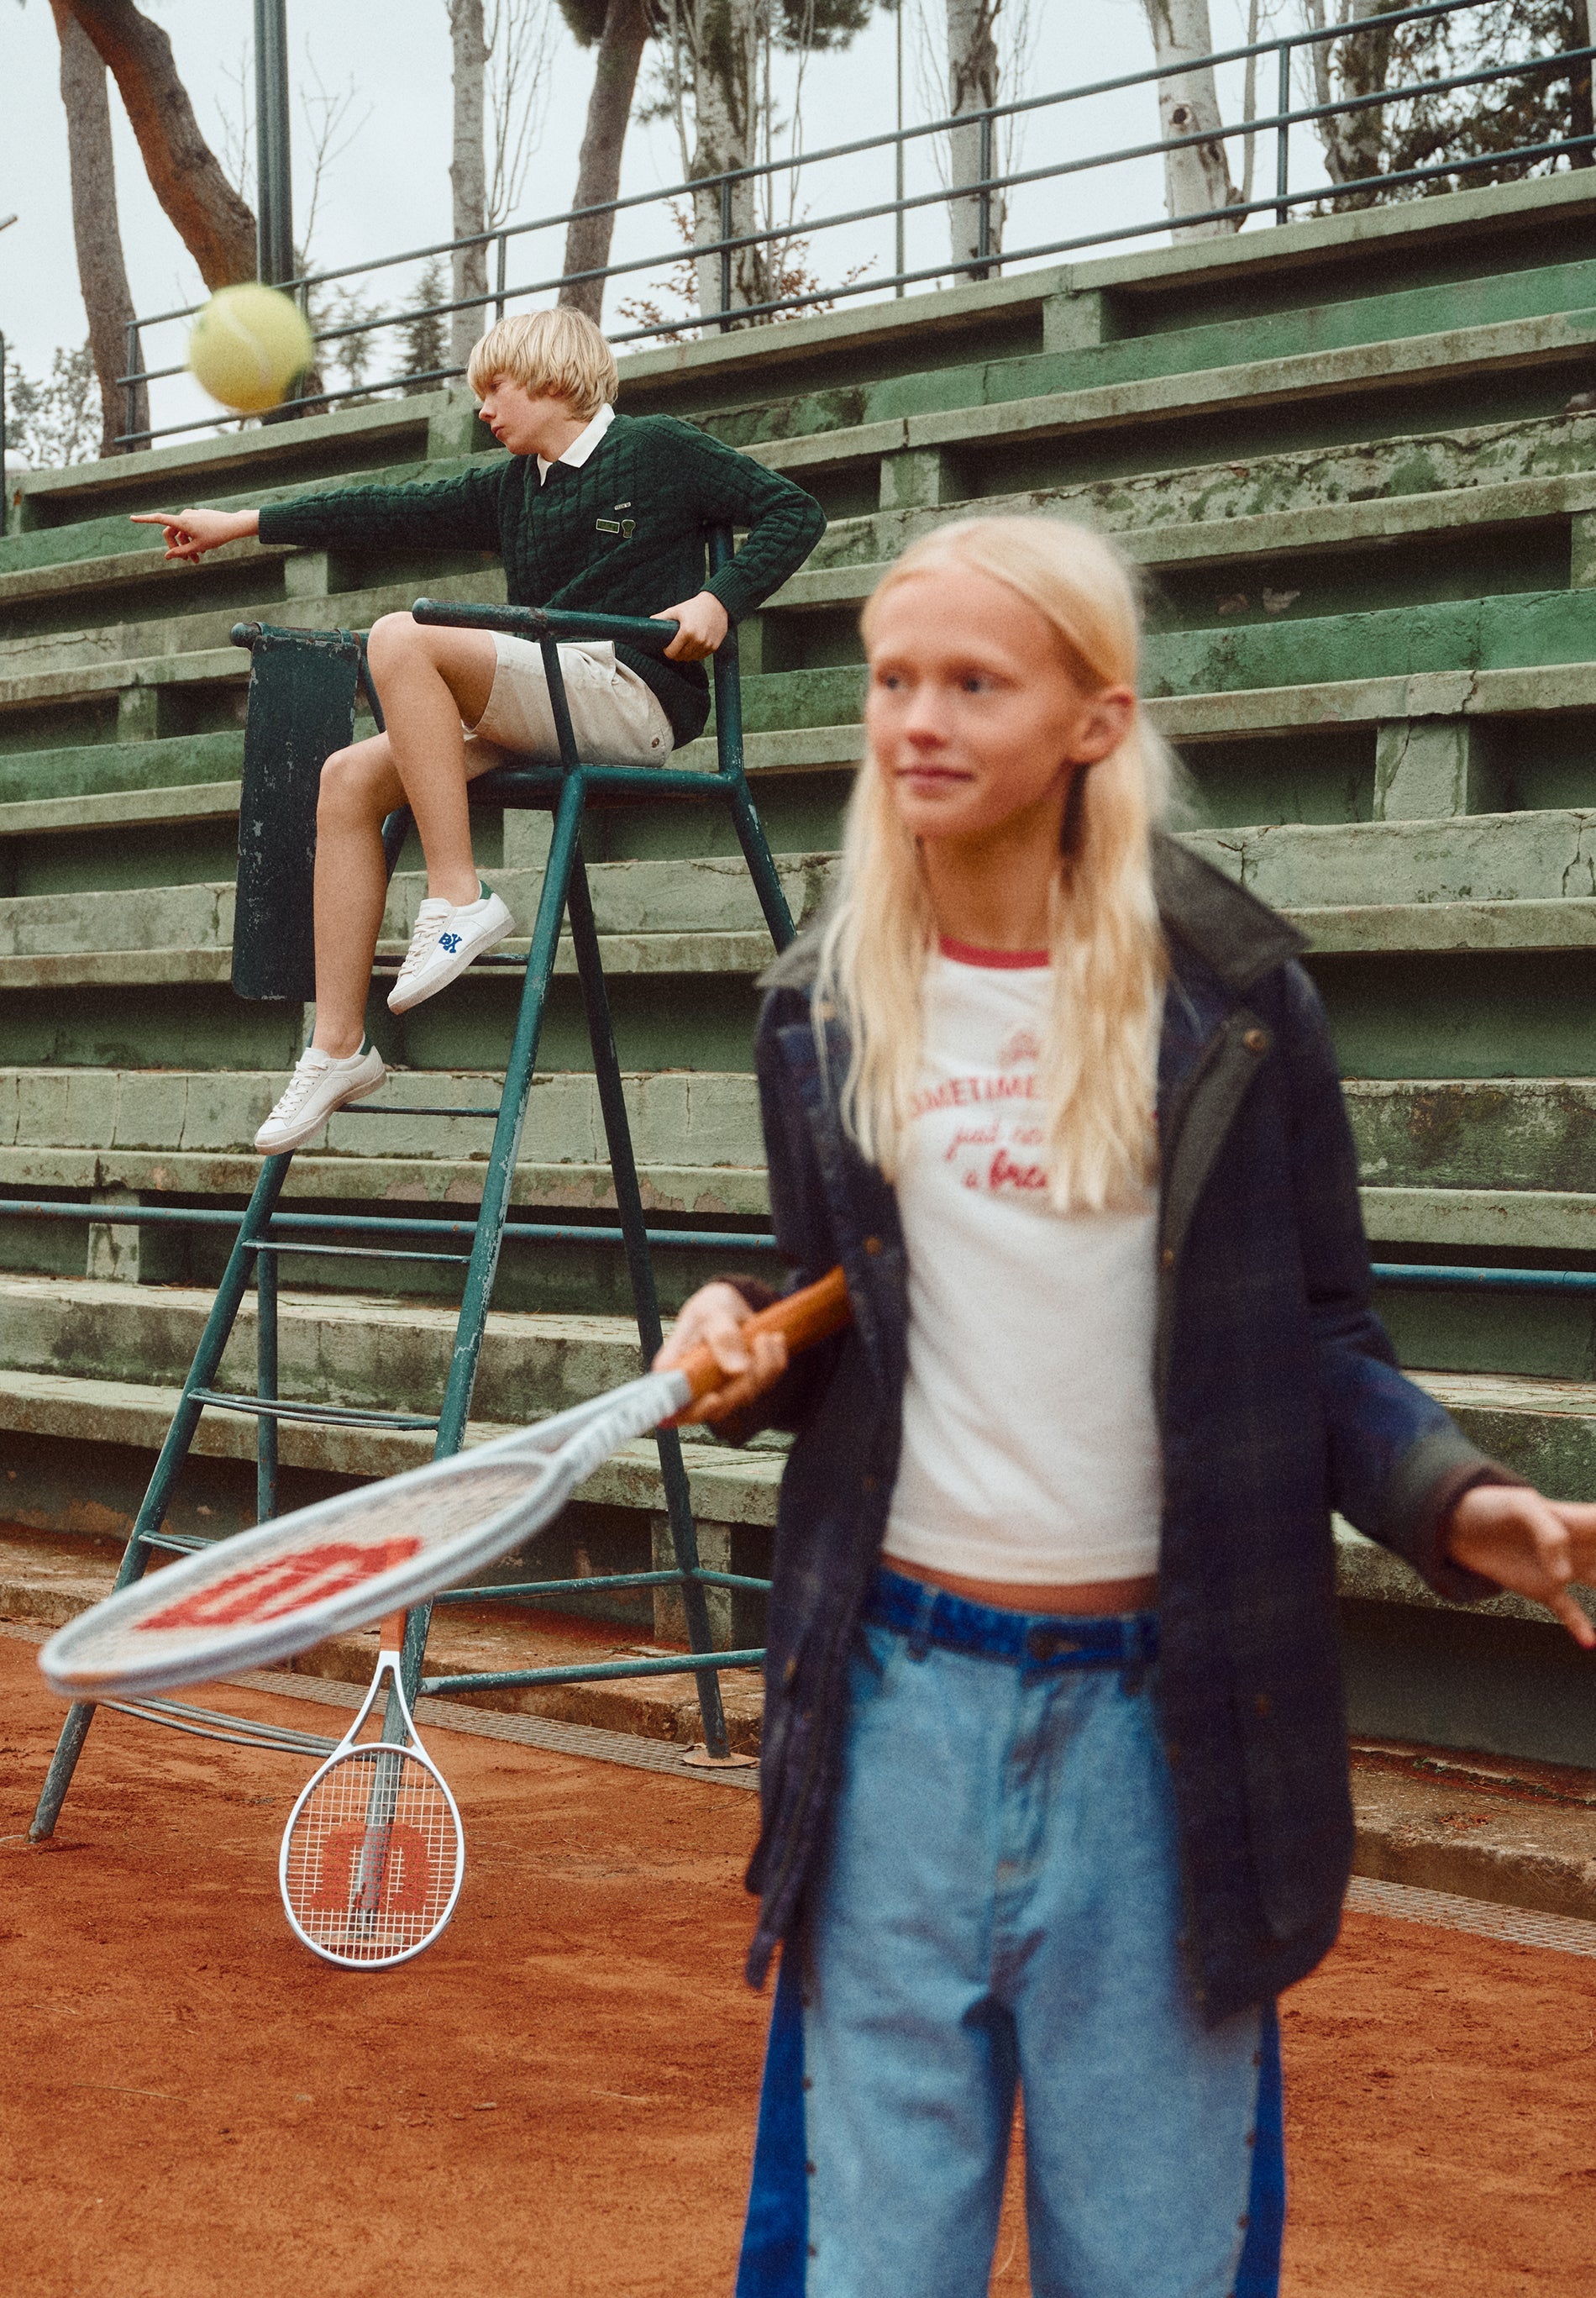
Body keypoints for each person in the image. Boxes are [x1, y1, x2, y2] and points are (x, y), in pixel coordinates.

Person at [654, 515, 1596, 2298]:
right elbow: (829, 1305)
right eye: (892, 680)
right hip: (893, 1715)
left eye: (973, 683)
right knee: (869, 2268)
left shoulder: (1236, 1004)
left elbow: (1319, 1337)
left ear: (1094, 719)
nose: (917, 720)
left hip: (1169, 1738)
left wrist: (1454, 1499)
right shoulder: (821, 1007)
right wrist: (737, 1332)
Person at [131, 306, 825, 1154]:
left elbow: (792, 512)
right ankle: (338, 1047)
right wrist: (241, 523)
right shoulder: (513, 486)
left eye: (496, 388)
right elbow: (382, 511)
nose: (484, 409)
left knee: (401, 635)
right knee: (347, 779)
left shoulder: (657, 449)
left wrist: (721, 598)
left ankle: (459, 894)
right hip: (545, 696)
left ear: (553, 378)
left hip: (629, 695)